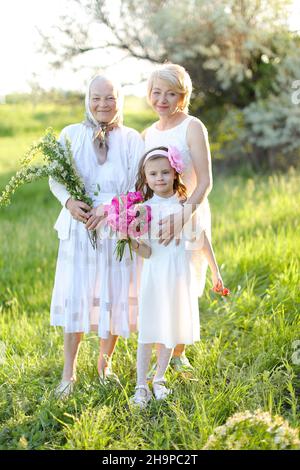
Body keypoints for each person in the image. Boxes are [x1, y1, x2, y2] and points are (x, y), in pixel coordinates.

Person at [49, 75, 144, 397]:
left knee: (113, 293)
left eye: (110, 98)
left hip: (115, 226)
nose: (103, 105)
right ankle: (68, 373)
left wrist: (112, 208)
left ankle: (105, 365)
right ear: (87, 99)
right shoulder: (70, 134)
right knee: (78, 293)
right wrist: (69, 201)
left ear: (120, 101)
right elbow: (56, 178)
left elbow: (137, 187)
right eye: (96, 98)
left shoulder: (132, 139)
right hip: (79, 225)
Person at [129, 146, 226, 408]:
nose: (159, 178)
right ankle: (140, 384)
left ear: (175, 173)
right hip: (154, 277)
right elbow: (146, 252)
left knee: (171, 328)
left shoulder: (184, 208)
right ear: (146, 178)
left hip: (178, 277)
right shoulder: (143, 210)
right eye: (153, 174)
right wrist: (129, 240)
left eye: (164, 172)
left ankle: (159, 379)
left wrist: (215, 271)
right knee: (149, 331)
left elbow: (202, 240)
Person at [143, 63, 213, 373]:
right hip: (158, 219)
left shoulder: (192, 126)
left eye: (171, 93)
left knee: (187, 284)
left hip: (190, 212)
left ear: (182, 96)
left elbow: (206, 181)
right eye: (157, 92)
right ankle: (162, 347)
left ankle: (178, 352)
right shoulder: (147, 133)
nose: (163, 99)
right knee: (163, 283)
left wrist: (182, 217)